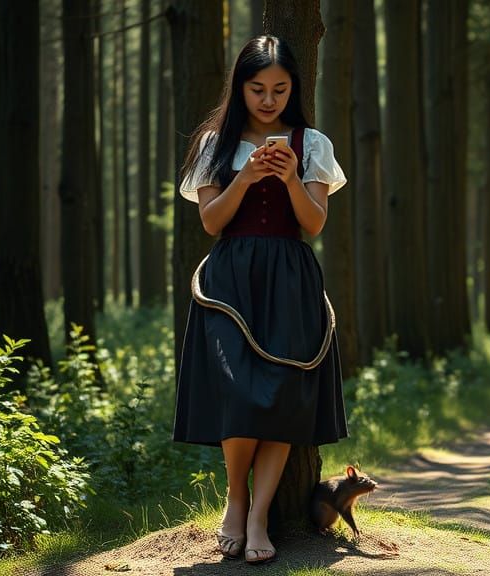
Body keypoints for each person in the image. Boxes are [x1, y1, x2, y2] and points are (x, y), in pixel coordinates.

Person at [172, 34, 348, 566]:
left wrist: (292, 178)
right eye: (257, 89)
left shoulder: (311, 142)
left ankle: (258, 516)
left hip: (290, 276)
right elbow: (210, 222)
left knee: (284, 397)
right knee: (240, 394)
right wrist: (246, 177)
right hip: (230, 281)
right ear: (240, 88)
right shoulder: (214, 146)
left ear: (293, 88)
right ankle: (236, 496)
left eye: (279, 88)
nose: (268, 100)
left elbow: (313, 224)